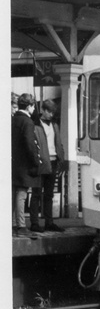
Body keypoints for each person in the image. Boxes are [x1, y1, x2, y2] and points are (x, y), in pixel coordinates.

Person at [29, 100, 65, 232]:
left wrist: (62, 158)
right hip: (41, 162)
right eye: (49, 111)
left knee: (49, 194)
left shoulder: (54, 125)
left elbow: (58, 142)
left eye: (52, 112)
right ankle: (34, 223)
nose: (51, 114)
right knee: (36, 193)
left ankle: (49, 222)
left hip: (54, 161)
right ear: (43, 110)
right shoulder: (35, 125)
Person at [11, 93, 41, 239]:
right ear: (29, 106)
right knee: (22, 194)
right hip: (24, 164)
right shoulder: (27, 122)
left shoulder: (13, 119)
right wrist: (35, 161)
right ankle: (21, 225)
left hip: (14, 163)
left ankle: (11, 224)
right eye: (33, 106)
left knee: (13, 193)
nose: (33, 108)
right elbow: (30, 144)